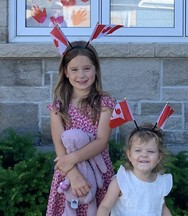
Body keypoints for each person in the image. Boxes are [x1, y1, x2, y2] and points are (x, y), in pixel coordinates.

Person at [46, 40, 116, 215]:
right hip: (68, 176)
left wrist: (72, 158)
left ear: (95, 69)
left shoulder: (104, 104)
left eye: (87, 68)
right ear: (66, 72)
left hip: (98, 173)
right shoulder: (58, 108)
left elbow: (101, 141)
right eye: (74, 69)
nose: (81, 75)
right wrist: (74, 175)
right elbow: (60, 149)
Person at [97, 123, 173, 216]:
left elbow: (162, 207)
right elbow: (105, 207)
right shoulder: (122, 181)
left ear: (159, 157)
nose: (144, 155)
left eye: (150, 151)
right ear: (129, 155)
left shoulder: (160, 182)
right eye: (138, 150)